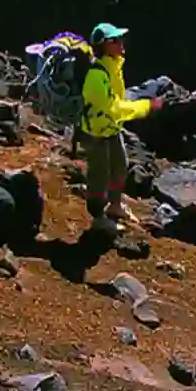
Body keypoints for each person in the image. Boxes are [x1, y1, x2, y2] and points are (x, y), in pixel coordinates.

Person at [81, 22, 164, 234]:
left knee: (120, 166)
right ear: (103, 46)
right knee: (98, 176)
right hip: (96, 131)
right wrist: (147, 106)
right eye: (115, 41)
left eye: (120, 39)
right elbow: (114, 108)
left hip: (111, 128)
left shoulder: (114, 67)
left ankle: (115, 206)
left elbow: (118, 100)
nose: (121, 44)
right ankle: (98, 219)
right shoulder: (96, 76)